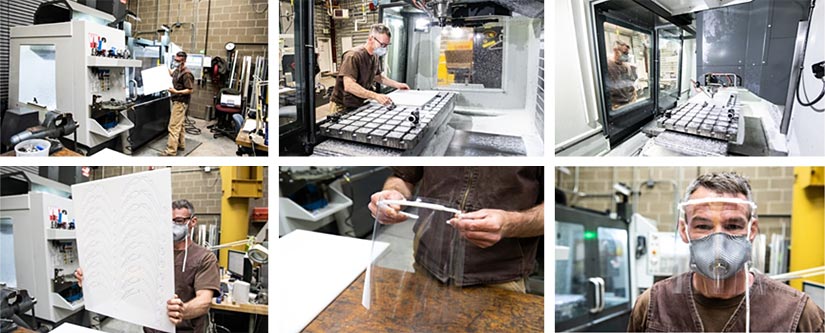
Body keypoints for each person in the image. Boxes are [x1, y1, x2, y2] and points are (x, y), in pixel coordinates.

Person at [627, 172, 825, 332]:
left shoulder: (797, 315)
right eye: (703, 226)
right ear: (683, 230)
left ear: (751, 230)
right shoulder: (654, 306)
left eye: (732, 226)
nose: (718, 243)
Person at [368, 167, 544, 293]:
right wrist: (392, 193)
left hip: (499, 280)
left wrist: (509, 223)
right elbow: (403, 176)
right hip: (426, 266)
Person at [75, 200, 220, 333]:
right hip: (151, 330)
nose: (172, 226)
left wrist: (182, 310)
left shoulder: (204, 257)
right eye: (168, 221)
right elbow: (126, 278)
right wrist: (93, 279)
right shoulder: (154, 254)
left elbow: (204, 301)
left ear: (192, 222)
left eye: (179, 221)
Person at [329, 23, 410, 114]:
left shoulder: (374, 56)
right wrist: (375, 96)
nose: (384, 48)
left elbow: (378, 77)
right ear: (371, 39)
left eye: (387, 45)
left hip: (359, 102)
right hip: (342, 105)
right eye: (382, 45)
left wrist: (398, 85)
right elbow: (349, 86)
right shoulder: (353, 56)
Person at [161, 51, 195, 156]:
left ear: (183, 60)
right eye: (175, 59)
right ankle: (181, 144)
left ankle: (171, 151)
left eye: (177, 60)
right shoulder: (177, 70)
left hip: (180, 102)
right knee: (180, 124)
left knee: (173, 126)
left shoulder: (187, 74)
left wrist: (176, 92)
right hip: (176, 101)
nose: (175, 62)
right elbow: (171, 73)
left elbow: (189, 90)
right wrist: (161, 69)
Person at [606, 40, 638, 110]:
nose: (626, 55)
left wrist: (634, 97)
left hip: (629, 102)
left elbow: (631, 82)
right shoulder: (607, 64)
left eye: (627, 53)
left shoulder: (626, 66)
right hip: (616, 104)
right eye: (624, 53)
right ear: (615, 50)